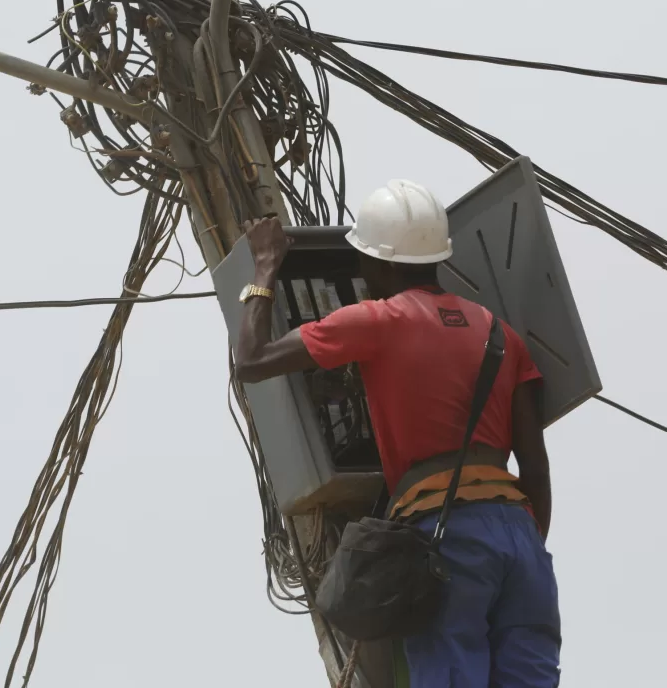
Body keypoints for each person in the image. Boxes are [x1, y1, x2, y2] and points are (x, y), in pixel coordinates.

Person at [233, 179, 561, 688]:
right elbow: (535, 467)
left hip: (447, 530)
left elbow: (252, 361)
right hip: (520, 537)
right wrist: (520, 551)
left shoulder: (377, 320)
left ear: (380, 264)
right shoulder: (501, 333)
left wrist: (264, 268)